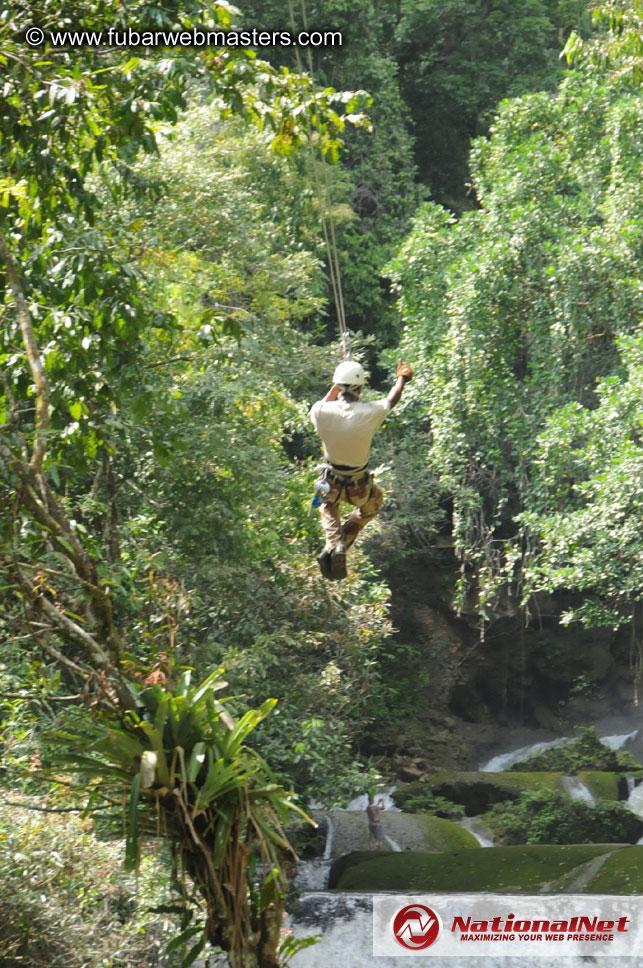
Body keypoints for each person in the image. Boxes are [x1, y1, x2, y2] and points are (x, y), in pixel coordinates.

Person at [309, 358, 413, 580]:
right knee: (374, 503)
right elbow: (391, 399)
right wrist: (402, 379)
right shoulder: (369, 412)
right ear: (359, 388)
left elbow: (324, 402)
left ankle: (333, 544)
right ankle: (341, 544)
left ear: (337, 386)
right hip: (360, 488)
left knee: (328, 506)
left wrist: (338, 383)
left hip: (332, 484)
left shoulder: (320, 412)